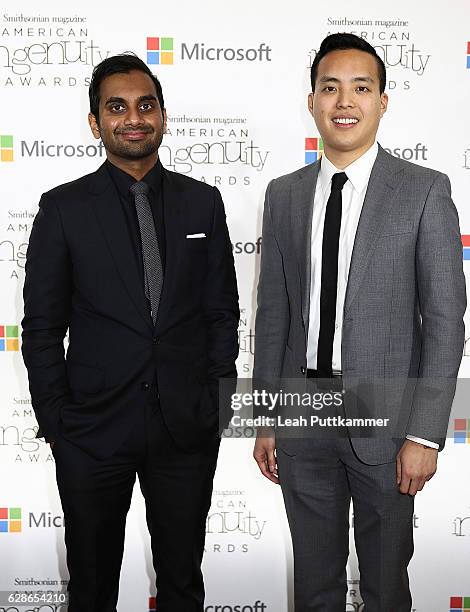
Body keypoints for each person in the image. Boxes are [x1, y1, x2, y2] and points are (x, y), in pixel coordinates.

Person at [253, 33, 465, 611]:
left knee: (386, 586)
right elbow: (272, 314)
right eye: (330, 88)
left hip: (390, 424)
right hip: (303, 417)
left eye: (360, 88)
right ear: (312, 101)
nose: (344, 101)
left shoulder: (424, 191)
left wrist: (424, 434)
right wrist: (267, 418)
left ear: (382, 101)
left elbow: (446, 321)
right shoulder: (284, 195)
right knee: (314, 587)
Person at [21, 53, 239, 612]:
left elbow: (221, 311)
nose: (133, 118)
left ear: (163, 116)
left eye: (146, 105)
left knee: (183, 584)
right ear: (96, 122)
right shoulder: (63, 209)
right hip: (92, 431)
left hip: (186, 428)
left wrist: (217, 400)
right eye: (116, 107)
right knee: (92, 589)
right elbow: (42, 327)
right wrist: (59, 423)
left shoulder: (203, 202)